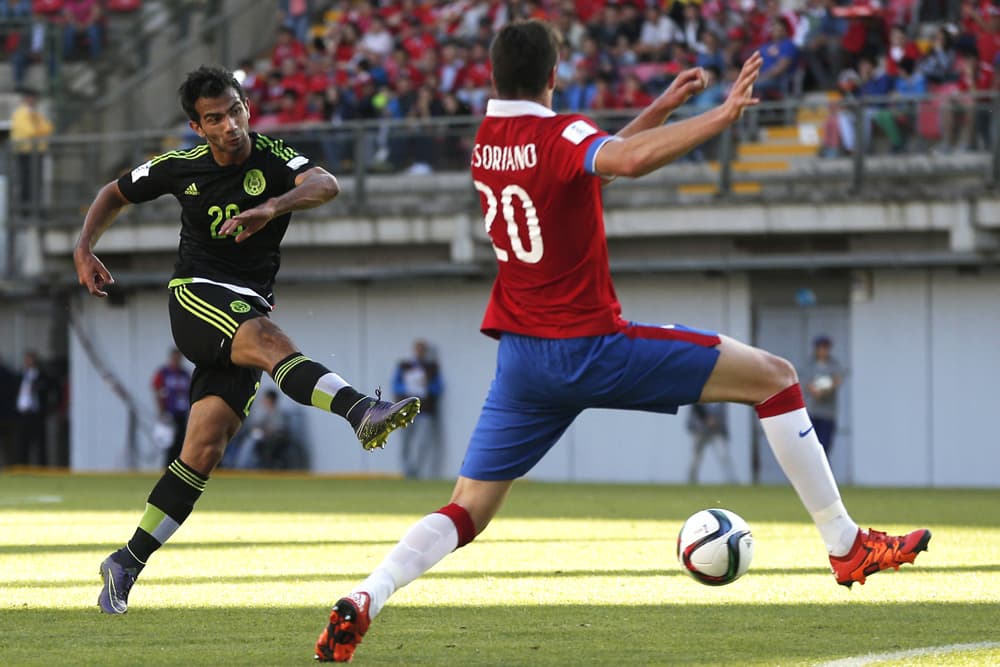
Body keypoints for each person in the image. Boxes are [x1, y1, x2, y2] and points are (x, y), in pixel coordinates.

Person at [312, 21, 930, 663]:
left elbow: (586, 172)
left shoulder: (486, 142)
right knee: (776, 377)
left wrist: (657, 110)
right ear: (555, 77)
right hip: (592, 347)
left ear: (494, 78)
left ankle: (367, 595)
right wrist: (721, 116)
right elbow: (621, 161)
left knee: (467, 508)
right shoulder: (561, 132)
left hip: (523, 360)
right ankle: (844, 543)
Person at [72, 65, 421, 616]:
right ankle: (360, 410)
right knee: (267, 337)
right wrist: (84, 248)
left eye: (234, 111)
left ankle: (125, 562)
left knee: (204, 450)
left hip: (246, 305)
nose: (229, 125)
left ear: (247, 109)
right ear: (197, 125)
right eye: (215, 118)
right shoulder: (179, 167)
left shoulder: (275, 158)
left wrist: (272, 207)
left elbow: (326, 184)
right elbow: (113, 193)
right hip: (197, 296)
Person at [393, 339, 444, 479]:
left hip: (425, 410)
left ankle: (418, 471)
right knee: (405, 442)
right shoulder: (404, 366)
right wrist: (408, 390)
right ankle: (407, 471)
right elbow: (396, 385)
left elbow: (438, 388)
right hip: (406, 409)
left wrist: (427, 386)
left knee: (423, 442)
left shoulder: (432, 367)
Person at [9, 87, 54, 210]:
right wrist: (38, 129)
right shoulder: (20, 113)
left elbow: (48, 128)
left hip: (37, 152)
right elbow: (30, 131)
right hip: (24, 153)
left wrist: (37, 127)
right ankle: (25, 210)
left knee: (36, 183)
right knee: (25, 183)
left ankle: (34, 209)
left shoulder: (35, 114)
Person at [804, 335, 845, 457]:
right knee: (811, 446)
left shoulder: (833, 365)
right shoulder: (810, 364)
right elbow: (806, 383)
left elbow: (838, 380)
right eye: (821, 347)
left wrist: (826, 389)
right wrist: (814, 390)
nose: (823, 350)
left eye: (825, 348)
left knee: (825, 446)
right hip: (813, 412)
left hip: (827, 413)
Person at [151, 348, 192, 467]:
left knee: (181, 443)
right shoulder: (164, 373)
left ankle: (177, 467)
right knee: (169, 444)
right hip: (169, 413)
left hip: (182, 413)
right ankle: (167, 467)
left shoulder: (184, 374)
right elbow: (157, 391)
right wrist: (161, 412)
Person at [15, 350, 52, 466]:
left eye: (30, 359)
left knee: (40, 443)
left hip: (36, 413)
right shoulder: (20, 375)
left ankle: (42, 467)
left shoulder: (42, 376)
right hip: (23, 413)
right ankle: (23, 466)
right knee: (22, 442)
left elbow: (50, 389)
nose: (27, 362)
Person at [685, 402, 736, 484]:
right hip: (699, 430)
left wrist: (725, 432)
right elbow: (696, 407)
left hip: (716, 431)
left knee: (724, 456)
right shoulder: (700, 392)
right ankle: (691, 481)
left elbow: (724, 415)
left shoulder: (723, 398)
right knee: (695, 458)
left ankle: (732, 481)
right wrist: (706, 418)